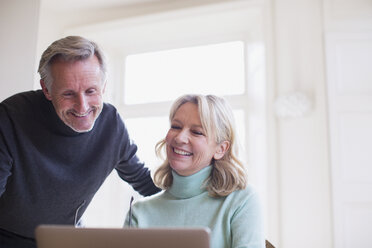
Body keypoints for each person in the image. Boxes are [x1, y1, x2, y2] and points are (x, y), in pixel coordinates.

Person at [0, 36, 160, 248]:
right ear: (46, 90)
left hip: (68, 237)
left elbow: (143, 180)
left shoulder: (111, 125)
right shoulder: (10, 117)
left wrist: (203, 198)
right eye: (68, 93)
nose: (82, 106)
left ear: (103, 86)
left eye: (90, 91)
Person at [124, 94, 265, 248]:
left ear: (220, 149)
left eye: (197, 132)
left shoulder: (241, 201)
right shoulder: (139, 212)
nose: (180, 138)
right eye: (176, 126)